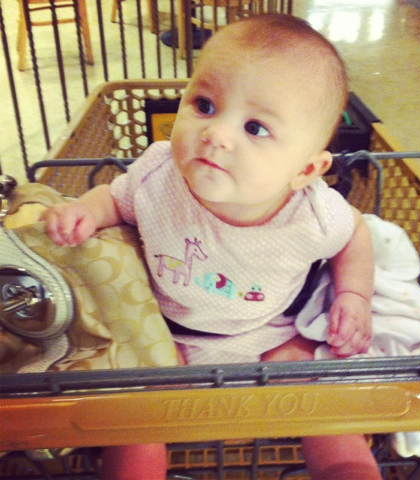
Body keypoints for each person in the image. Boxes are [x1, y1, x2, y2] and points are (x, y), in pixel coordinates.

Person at [41, 14, 380, 480]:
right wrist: (86, 210)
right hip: (168, 335)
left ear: (305, 171)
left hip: (273, 333)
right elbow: (117, 199)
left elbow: (356, 235)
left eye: (255, 128)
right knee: (135, 411)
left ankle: (347, 467)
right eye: (204, 104)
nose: (216, 134)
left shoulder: (313, 215)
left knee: (316, 398)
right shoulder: (159, 174)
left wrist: (353, 296)